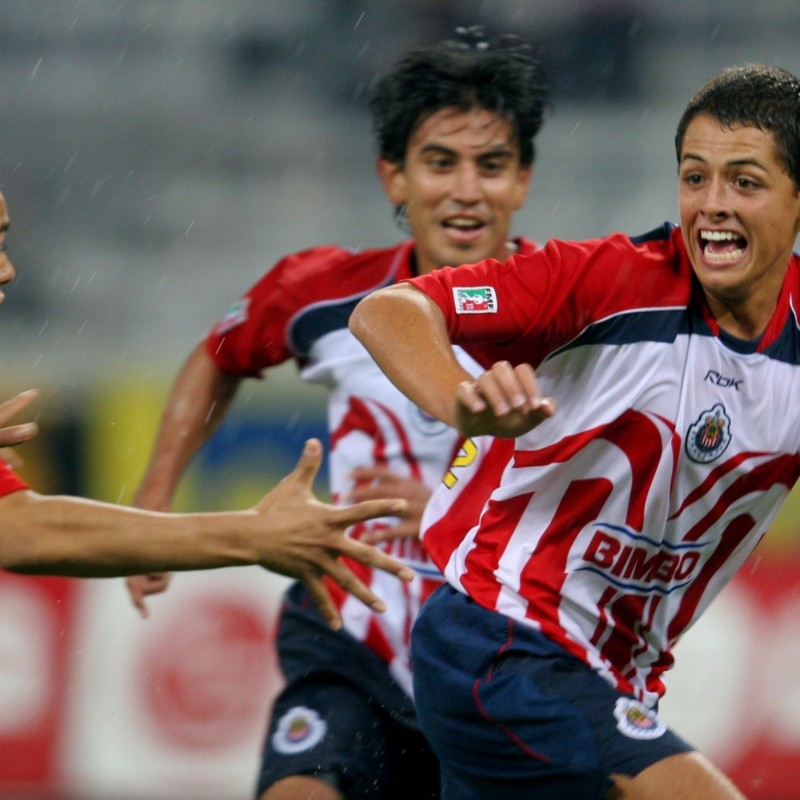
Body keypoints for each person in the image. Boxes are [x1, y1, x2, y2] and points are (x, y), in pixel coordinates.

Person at [349, 62, 800, 799]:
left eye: (744, 183)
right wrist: (462, 399)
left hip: (614, 676)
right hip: (495, 640)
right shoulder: (607, 282)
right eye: (694, 178)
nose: (711, 207)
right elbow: (388, 312)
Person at [124, 29, 548, 800]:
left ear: (522, 181)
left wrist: (452, 515)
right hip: (349, 633)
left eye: (490, 166)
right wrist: (155, 500)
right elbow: (218, 355)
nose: (465, 189)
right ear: (394, 177)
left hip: (499, 654)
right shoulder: (323, 293)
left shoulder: (576, 317)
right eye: (439, 162)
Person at [0, 192, 413, 628]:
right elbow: (20, 531)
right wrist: (256, 534)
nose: (7, 271)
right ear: (394, 175)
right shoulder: (329, 288)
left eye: (4, 243)